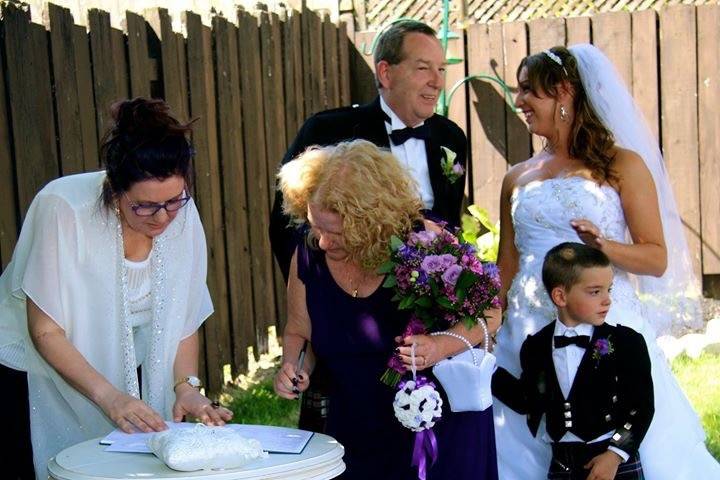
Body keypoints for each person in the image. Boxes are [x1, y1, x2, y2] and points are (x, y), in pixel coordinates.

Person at [492, 44, 720, 479]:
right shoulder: (515, 178)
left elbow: (655, 257)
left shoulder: (622, 165)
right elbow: (506, 265)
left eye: (528, 91)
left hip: (604, 328)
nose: (519, 101)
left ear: (563, 93)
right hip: (527, 332)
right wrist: (482, 324)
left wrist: (605, 248)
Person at [0, 98, 232, 479]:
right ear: (114, 189)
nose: (162, 217)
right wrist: (109, 397)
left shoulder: (181, 213)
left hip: (120, 358)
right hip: (29, 367)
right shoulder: (62, 209)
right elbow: (44, 330)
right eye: (144, 206)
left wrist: (185, 387)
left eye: (173, 201)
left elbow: (183, 317)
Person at [270, 19, 468, 433]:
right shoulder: (328, 130)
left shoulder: (452, 138)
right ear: (385, 72)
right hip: (344, 306)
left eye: (441, 69)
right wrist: (322, 295)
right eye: (422, 68)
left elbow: (451, 226)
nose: (436, 81)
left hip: (418, 317)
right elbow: (287, 223)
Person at [272, 140, 498, 480]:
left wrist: (439, 346)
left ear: (370, 222)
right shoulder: (307, 254)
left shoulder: (426, 243)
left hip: (433, 433)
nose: (321, 241)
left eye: (333, 232)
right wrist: (294, 365)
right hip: (353, 434)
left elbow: (491, 315)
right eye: (314, 225)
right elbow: (299, 331)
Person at [493, 242, 654, 480]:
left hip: (612, 462)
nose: (607, 300)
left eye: (608, 290)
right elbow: (526, 400)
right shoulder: (536, 346)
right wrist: (487, 368)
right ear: (560, 296)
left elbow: (641, 408)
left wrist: (615, 454)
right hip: (561, 464)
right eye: (595, 291)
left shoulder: (626, 342)